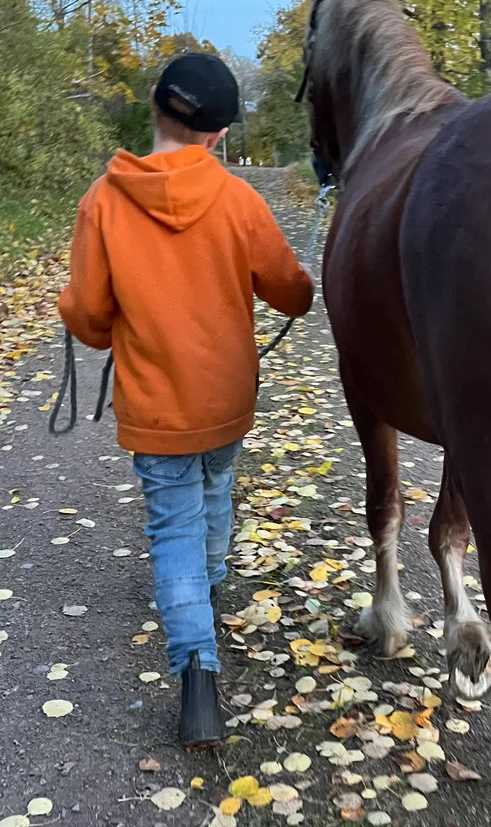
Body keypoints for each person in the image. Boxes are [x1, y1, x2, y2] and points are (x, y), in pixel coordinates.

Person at [58, 51, 314, 747]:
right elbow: (291, 290)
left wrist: (110, 322)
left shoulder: (104, 203)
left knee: (172, 523)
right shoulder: (239, 201)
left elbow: (85, 314)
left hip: (156, 407)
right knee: (218, 483)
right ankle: (212, 582)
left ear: (153, 103)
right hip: (226, 398)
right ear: (221, 134)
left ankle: (198, 673)